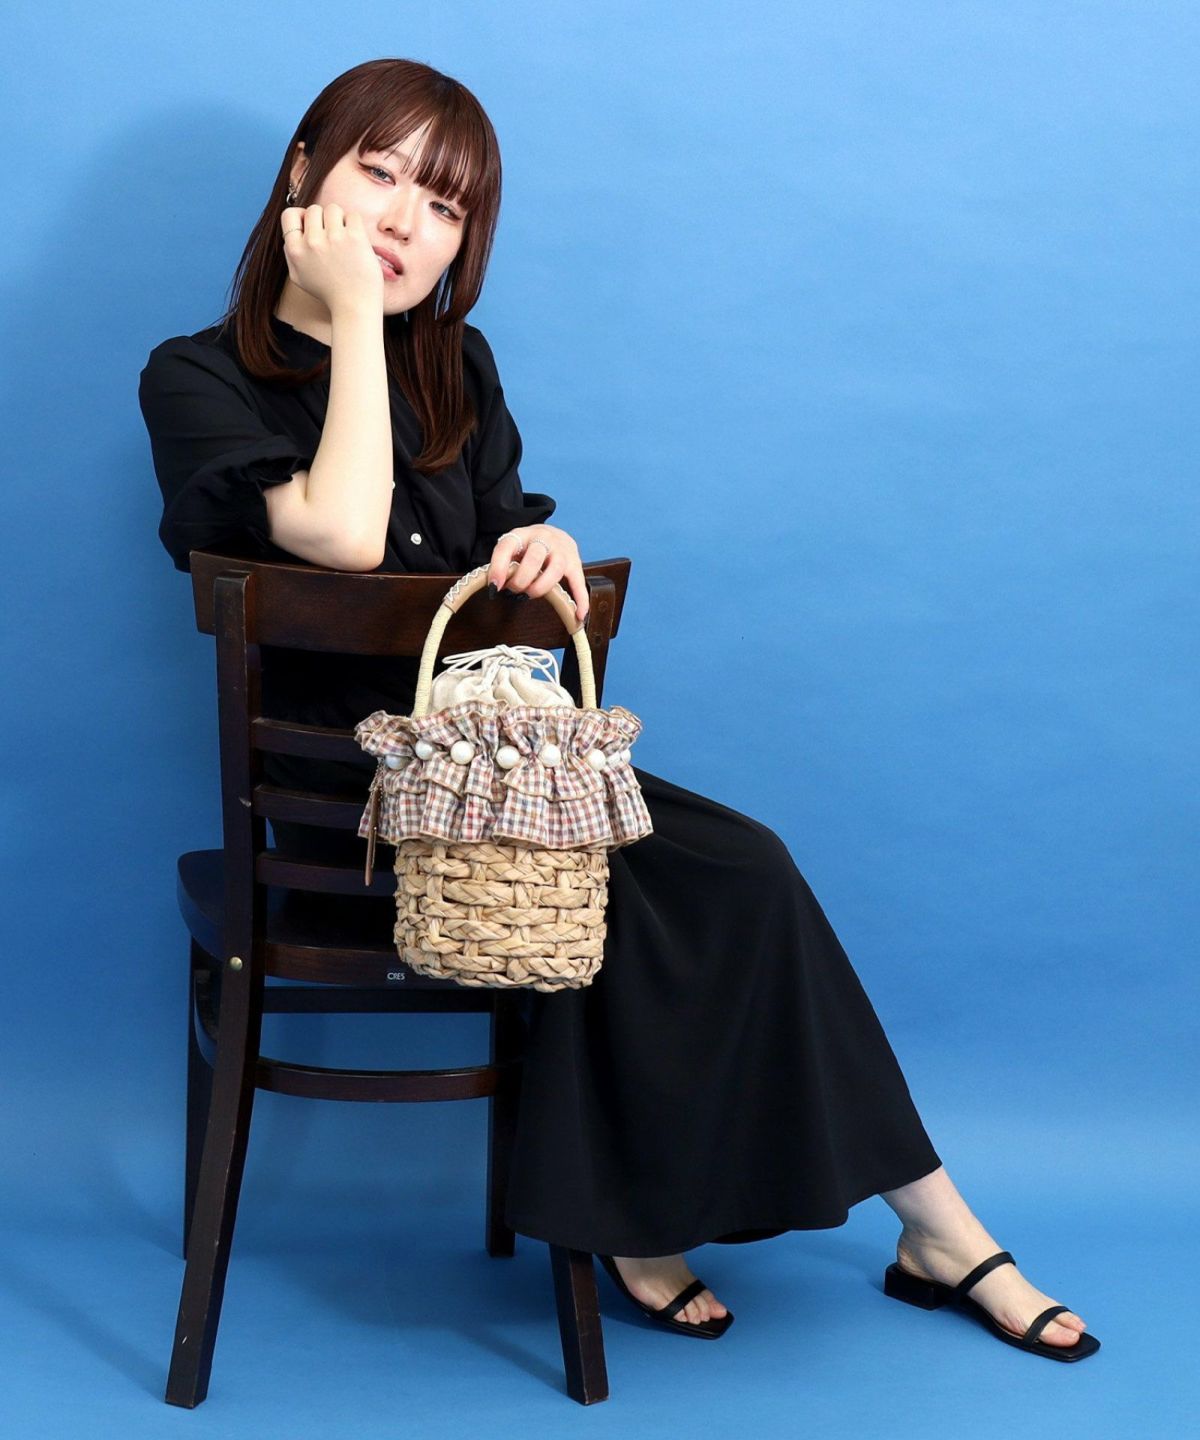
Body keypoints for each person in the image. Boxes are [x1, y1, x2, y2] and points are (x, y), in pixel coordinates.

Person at [138, 58, 1098, 1359]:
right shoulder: (192, 376)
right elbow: (348, 537)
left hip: (509, 789)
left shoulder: (457, 370)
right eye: (380, 174)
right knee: (653, 884)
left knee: (743, 868)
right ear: (302, 169)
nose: (407, 222)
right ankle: (755, 1228)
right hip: (348, 831)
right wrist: (355, 320)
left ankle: (923, 1224)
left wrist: (540, 554)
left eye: (446, 204)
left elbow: (504, 577)